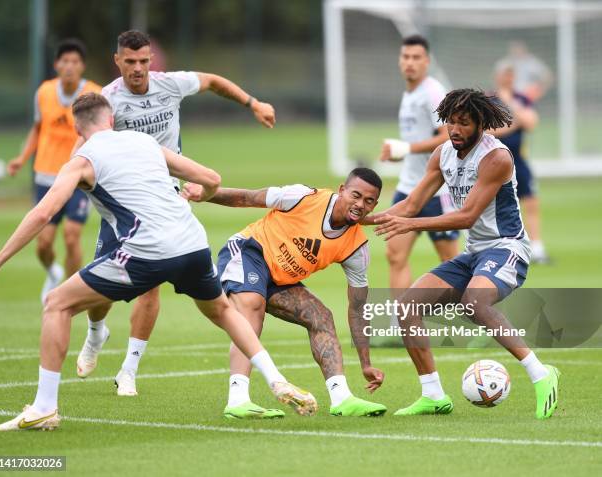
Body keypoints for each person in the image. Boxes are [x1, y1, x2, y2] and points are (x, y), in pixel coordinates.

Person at [0, 93, 316, 431]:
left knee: (56, 304)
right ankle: (276, 378)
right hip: (193, 243)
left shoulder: (81, 160)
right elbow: (212, 179)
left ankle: (44, 407)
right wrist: (201, 196)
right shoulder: (144, 142)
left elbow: (44, 211)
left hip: (146, 251)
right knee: (222, 311)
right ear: (112, 120)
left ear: (77, 128)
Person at [74, 30, 277, 396]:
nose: (138, 69)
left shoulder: (170, 85)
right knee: (99, 294)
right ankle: (95, 334)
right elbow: (84, 148)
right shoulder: (107, 100)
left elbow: (213, 81)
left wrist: (253, 103)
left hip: (165, 199)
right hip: (123, 203)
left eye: (144, 61)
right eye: (130, 62)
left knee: (151, 286)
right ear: (117, 60)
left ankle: (129, 371)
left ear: (151, 60)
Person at [371, 89, 560, 419]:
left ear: (481, 124)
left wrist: (407, 225)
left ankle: (541, 374)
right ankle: (433, 395)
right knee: (406, 307)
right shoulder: (442, 154)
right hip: (475, 253)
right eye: (450, 123)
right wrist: (359, 218)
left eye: (464, 123)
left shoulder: (496, 158)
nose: (455, 129)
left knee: (474, 302)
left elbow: (466, 216)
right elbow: (412, 205)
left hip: (507, 247)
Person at [181, 168, 387, 418]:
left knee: (321, 317)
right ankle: (238, 400)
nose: (360, 205)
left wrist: (366, 363)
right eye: (355, 195)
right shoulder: (303, 197)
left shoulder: (356, 248)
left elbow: (358, 306)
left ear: (374, 205)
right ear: (342, 190)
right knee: (251, 307)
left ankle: (341, 398)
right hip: (249, 251)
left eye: (368, 201)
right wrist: (204, 194)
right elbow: (249, 197)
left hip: (280, 279)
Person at [7, 39, 101, 303]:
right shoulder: (44, 92)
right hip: (46, 175)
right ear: (56, 65)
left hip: (79, 176)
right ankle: (52, 271)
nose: (69, 66)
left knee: (72, 236)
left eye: (75, 62)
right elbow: (38, 129)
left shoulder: (94, 94)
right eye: (65, 61)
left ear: (82, 66)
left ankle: (69, 294)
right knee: (43, 244)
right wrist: (21, 157)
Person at [378, 34, 458, 290]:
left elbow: (448, 135)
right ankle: (401, 317)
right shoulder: (410, 94)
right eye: (405, 57)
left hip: (437, 190)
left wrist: (407, 148)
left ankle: (466, 313)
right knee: (395, 255)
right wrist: (401, 152)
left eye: (416, 57)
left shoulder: (433, 92)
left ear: (427, 61)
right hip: (408, 187)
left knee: (451, 260)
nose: (410, 62)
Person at [491, 60, 550, 263]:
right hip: (495, 160)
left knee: (531, 201)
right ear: (498, 76)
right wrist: (513, 124)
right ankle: (497, 245)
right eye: (505, 74)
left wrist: (511, 105)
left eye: (511, 74)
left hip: (519, 160)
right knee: (491, 203)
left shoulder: (521, 98)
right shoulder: (489, 99)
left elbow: (531, 122)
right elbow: (486, 129)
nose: (508, 78)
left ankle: (537, 248)